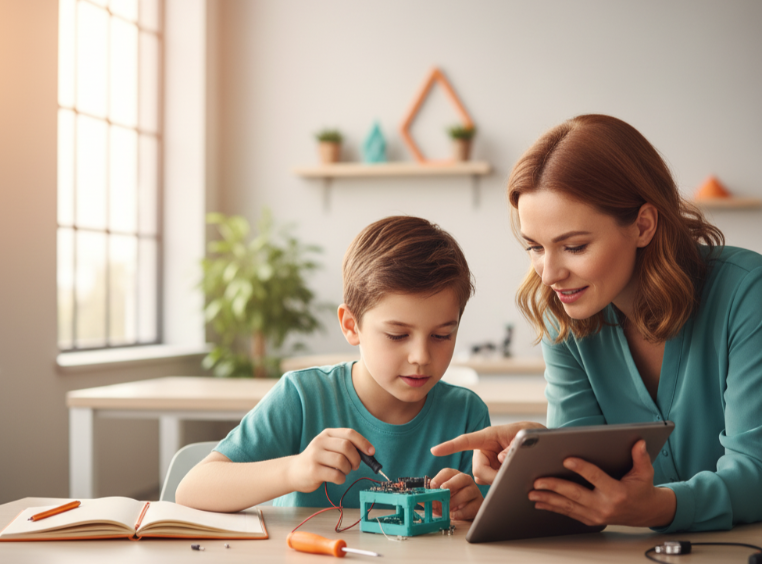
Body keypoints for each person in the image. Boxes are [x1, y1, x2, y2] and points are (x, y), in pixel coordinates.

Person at [433, 114, 762, 533]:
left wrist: (659, 508)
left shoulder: (746, 293)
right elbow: (586, 487)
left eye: (574, 246)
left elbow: (755, 472)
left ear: (643, 225)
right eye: (535, 247)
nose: (549, 275)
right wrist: (538, 453)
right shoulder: (562, 314)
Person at [177, 215, 489, 520]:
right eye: (397, 335)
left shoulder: (466, 415)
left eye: (441, 335)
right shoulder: (301, 397)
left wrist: (473, 509)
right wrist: (294, 470)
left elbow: (484, 523)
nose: (421, 356)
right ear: (351, 325)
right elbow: (192, 490)